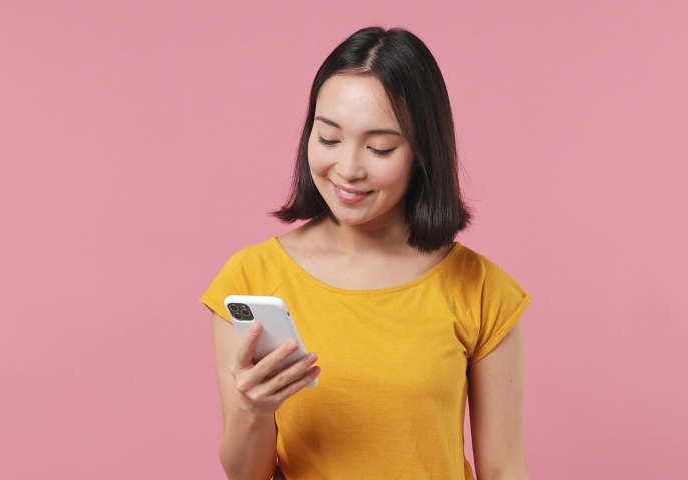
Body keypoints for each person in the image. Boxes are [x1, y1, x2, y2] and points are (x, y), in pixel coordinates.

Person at [200, 26, 533, 480]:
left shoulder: (482, 289)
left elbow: (503, 468)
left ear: (421, 152)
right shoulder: (251, 278)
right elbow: (246, 474)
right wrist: (253, 409)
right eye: (329, 139)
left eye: (380, 147)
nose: (349, 169)